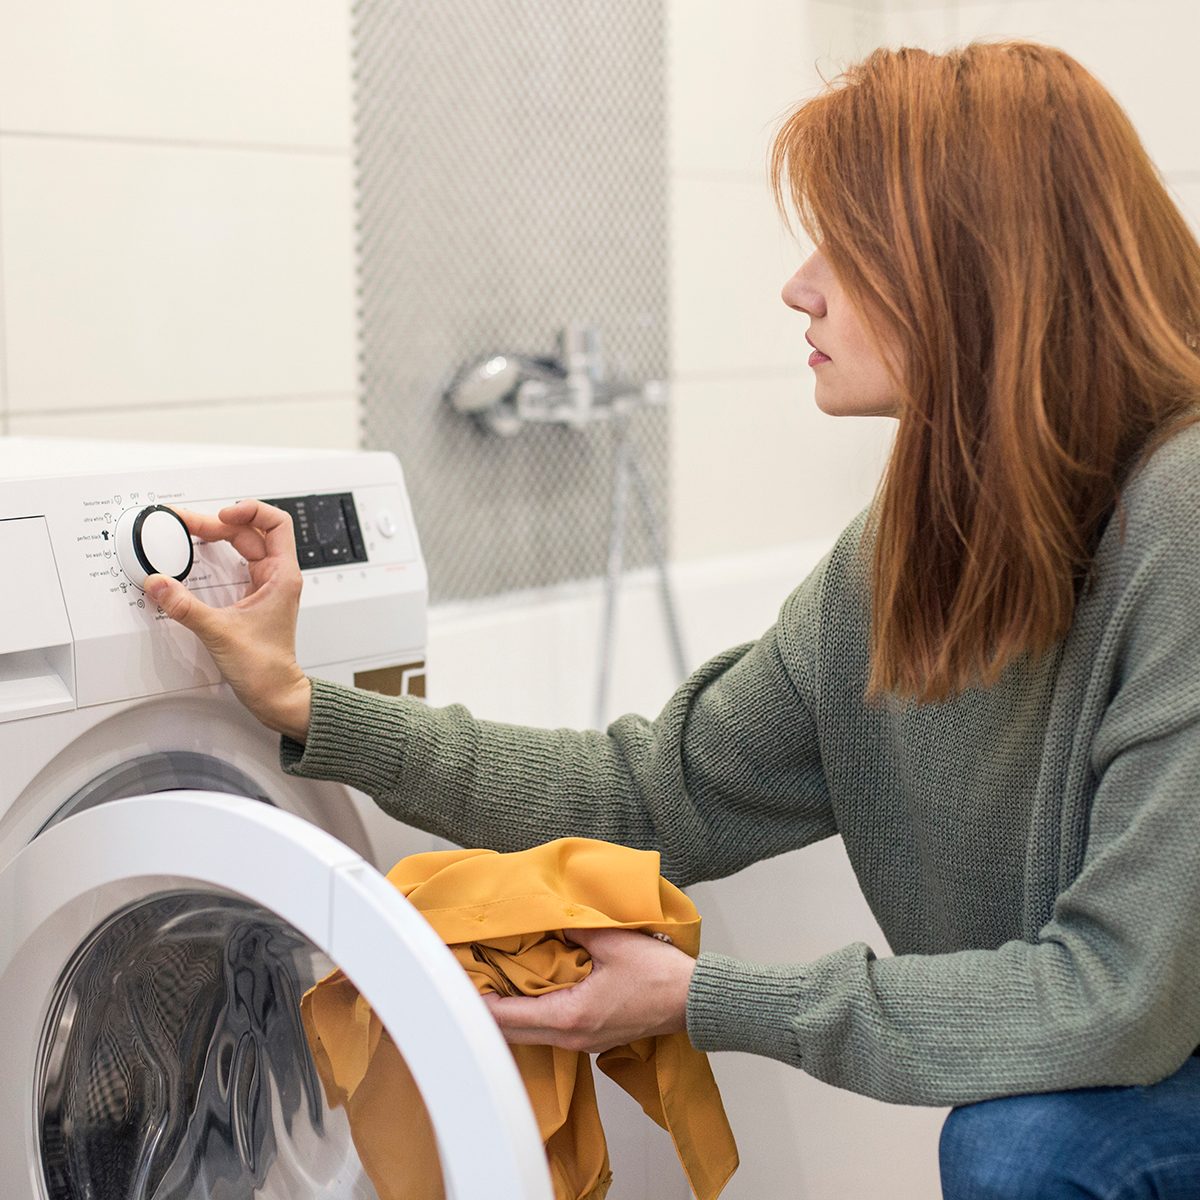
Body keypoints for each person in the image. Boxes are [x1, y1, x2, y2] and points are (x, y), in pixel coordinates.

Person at [144, 40, 1200, 1200]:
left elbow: (1121, 994)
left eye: (847, 249)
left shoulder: (1181, 516)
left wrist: (702, 998)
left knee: (1022, 1150)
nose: (801, 287)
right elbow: (647, 797)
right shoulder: (908, 557)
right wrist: (305, 703)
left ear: (979, 269)